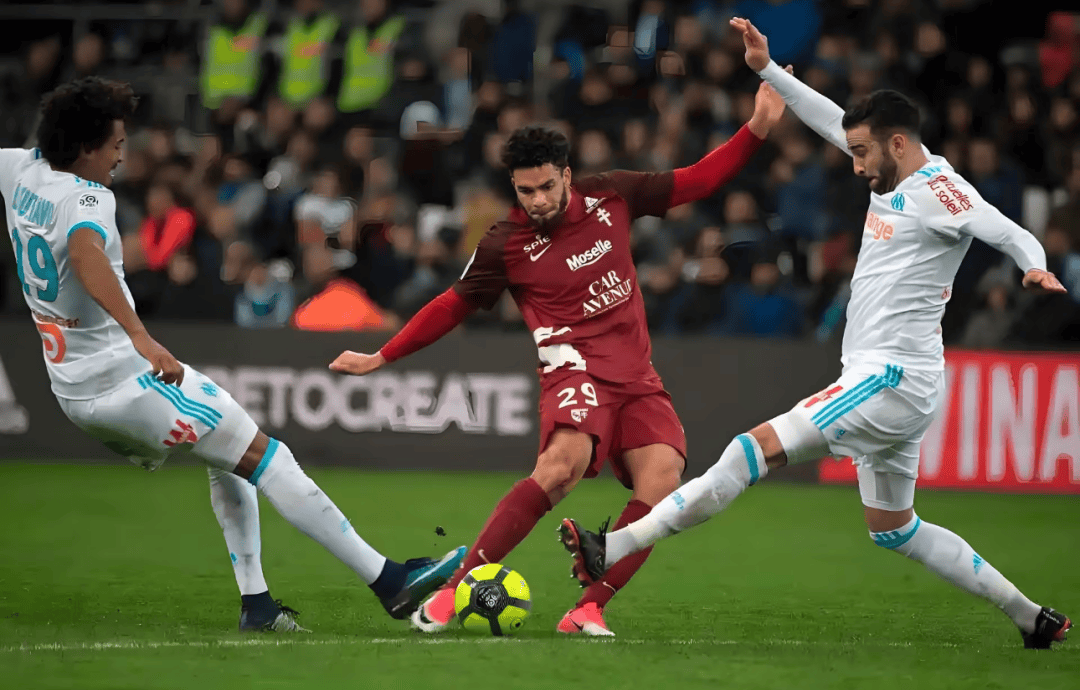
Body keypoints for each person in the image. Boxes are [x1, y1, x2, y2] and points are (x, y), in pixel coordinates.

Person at [558, 18, 1072, 650]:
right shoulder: (891, 169)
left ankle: (614, 547)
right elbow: (829, 118)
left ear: (899, 143)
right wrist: (767, 69)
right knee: (895, 528)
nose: (854, 165)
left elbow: (1006, 229)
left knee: (747, 452)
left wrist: (1033, 265)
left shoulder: (941, 192)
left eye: (862, 153)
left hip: (888, 378)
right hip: (900, 382)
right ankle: (1030, 616)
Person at [1, 77, 464, 632]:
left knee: (229, 452)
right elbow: (85, 255)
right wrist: (142, 337)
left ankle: (258, 606)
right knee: (270, 457)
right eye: (116, 145)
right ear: (84, 147)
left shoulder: (18, 169)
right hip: (125, 379)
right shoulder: (88, 197)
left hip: (72, 387)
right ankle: (390, 581)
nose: (122, 156)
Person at [328, 79, 789, 636]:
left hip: (636, 376)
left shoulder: (613, 195)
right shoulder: (505, 244)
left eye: (547, 186)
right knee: (560, 467)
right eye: (526, 191)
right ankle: (453, 593)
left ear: (567, 176)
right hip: (573, 370)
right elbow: (452, 304)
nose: (539, 200)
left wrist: (757, 128)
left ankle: (588, 608)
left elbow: (697, 180)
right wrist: (383, 356)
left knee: (663, 483)